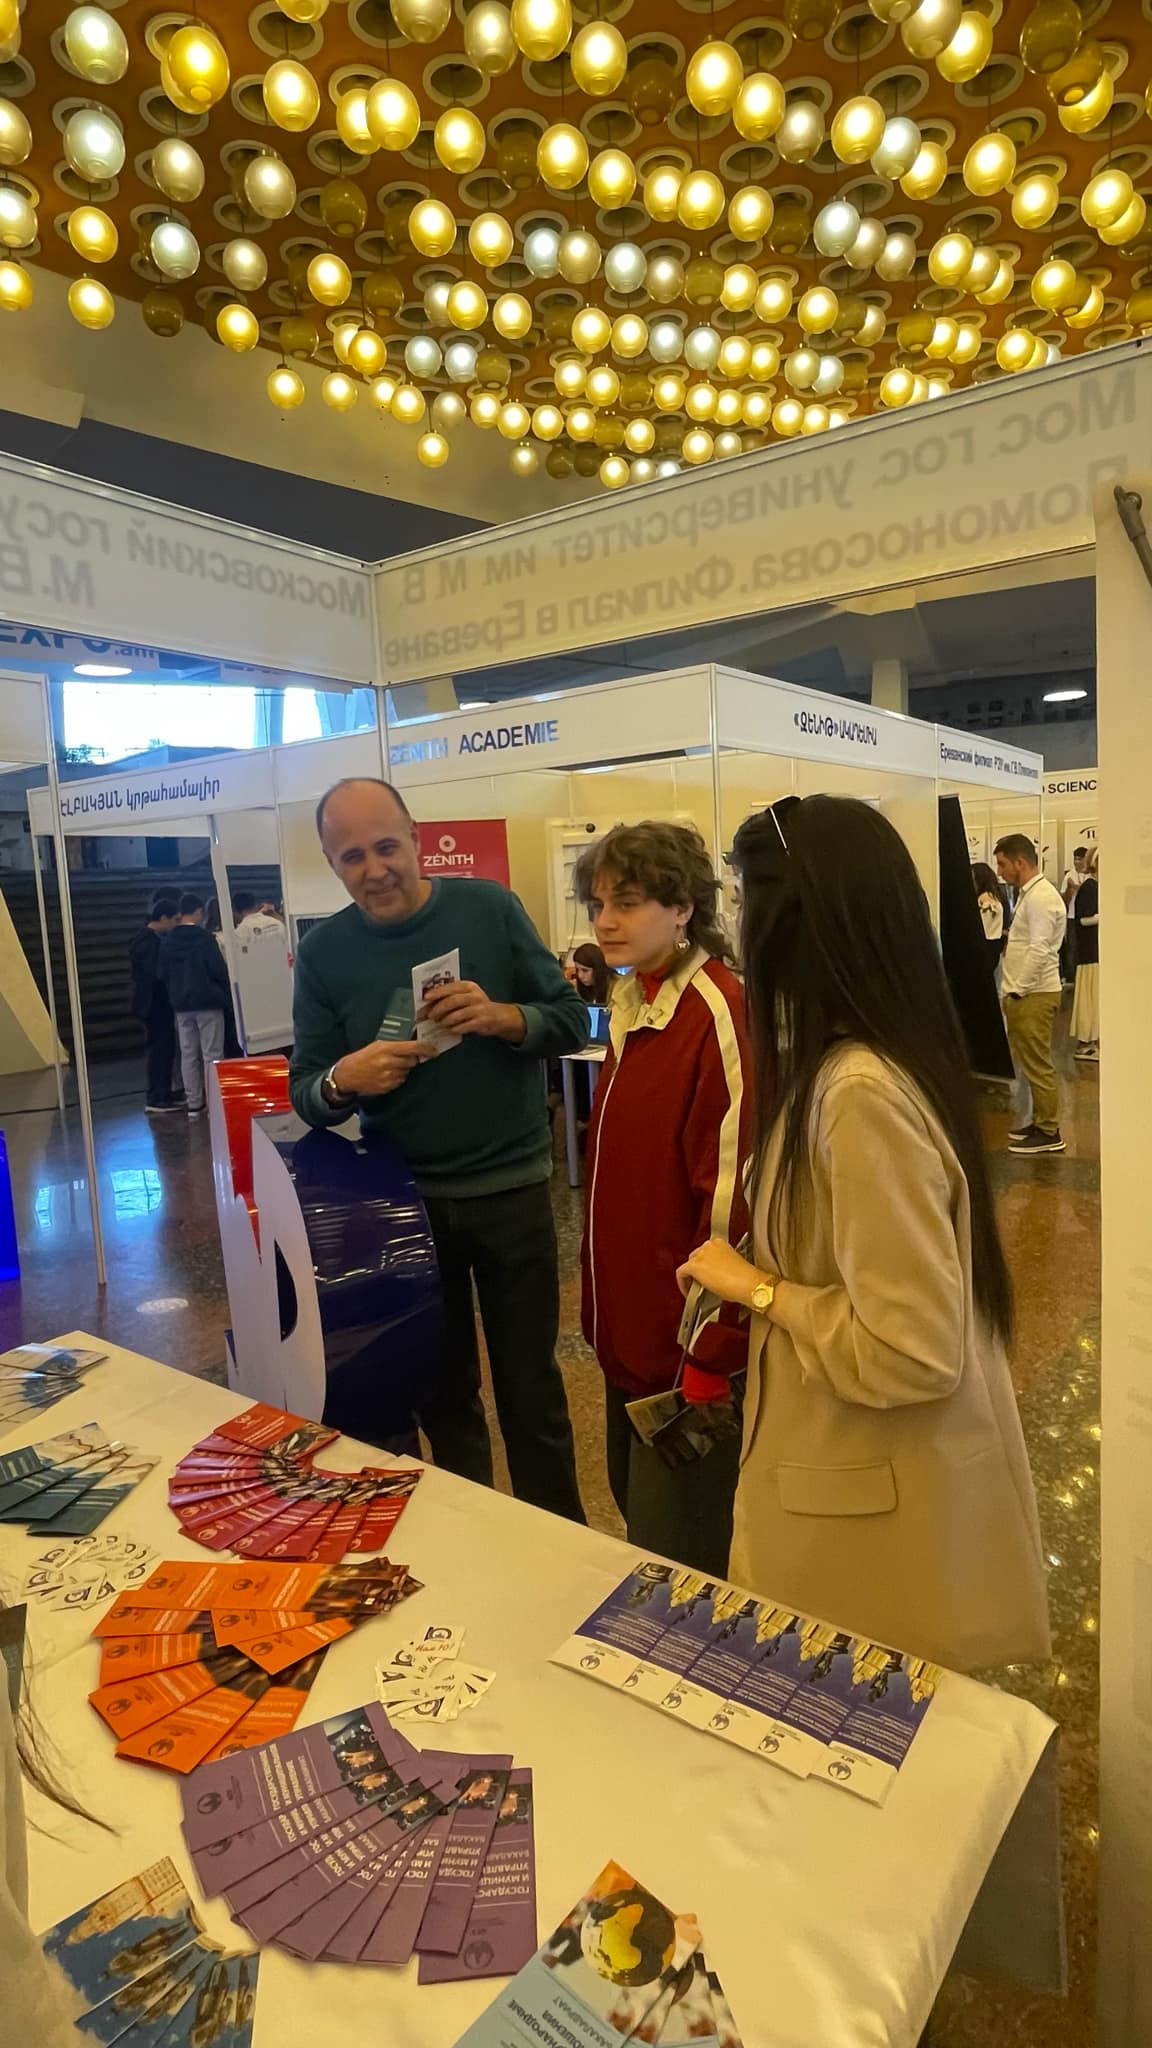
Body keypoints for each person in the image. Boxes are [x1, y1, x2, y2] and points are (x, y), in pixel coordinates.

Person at [676, 795, 1050, 1674]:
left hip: (863, 1505)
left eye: (745, 899)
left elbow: (909, 1349)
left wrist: (756, 1287)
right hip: (856, 1479)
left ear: (796, 920)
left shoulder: (857, 1093)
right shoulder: (871, 1061)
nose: (736, 926)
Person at [289, 776, 588, 1522]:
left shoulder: (490, 908)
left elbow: (570, 1019)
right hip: (405, 1207)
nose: (375, 869)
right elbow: (306, 1090)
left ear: (418, 840)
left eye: (386, 847)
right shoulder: (324, 953)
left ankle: (562, 1541)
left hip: (511, 1191)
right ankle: (472, 1536)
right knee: (443, 1395)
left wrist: (503, 1016)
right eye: (353, 857)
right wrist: (345, 1078)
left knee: (532, 1392)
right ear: (332, 865)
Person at [573, 821, 752, 1575]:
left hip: (683, 1351)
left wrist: (711, 1350)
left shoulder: (717, 1012)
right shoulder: (634, 1000)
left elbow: (731, 1199)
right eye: (597, 904)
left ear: (682, 908)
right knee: (637, 1512)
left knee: (682, 1550)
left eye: (628, 902)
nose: (605, 921)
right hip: (631, 1332)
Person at [994, 832, 1068, 1155]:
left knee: (1038, 1064)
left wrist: (1018, 990)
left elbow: (1040, 949)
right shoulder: (1033, 894)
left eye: (1002, 864)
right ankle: (1040, 1123)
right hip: (1030, 993)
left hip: (1034, 994)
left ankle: (1049, 1130)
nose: (999, 872)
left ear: (1020, 862)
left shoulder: (1039, 898)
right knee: (1032, 1062)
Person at [157, 893, 233, 1119]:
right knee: (212, 1054)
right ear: (199, 912)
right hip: (208, 1002)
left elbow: (162, 973)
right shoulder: (205, 938)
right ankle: (214, 1104)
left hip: (181, 1005)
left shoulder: (168, 941)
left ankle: (194, 1104)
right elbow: (218, 969)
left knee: (188, 1054)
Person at [127, 892, 182, 1115]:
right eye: (175, 919)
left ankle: (164, 1092)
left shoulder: (147, 940)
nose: (176, 924)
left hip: (157, 1003)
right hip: (154, 1004)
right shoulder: (148, 942)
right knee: (160, 1050)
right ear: (163, 918)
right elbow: (155, 974)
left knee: (165, 1049)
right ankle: (157, 1096)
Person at [1071, 849, 1100, 1062]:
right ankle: (1086, 1042)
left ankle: (1092, 1040)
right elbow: (1083, 919)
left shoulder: (1095, 887)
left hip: (1096, 952)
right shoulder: (1089, 888)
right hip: (1089, 953)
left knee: (1094, 997)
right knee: (1088, 998)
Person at [971, 861, 1008, 979]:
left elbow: (984, 926)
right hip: (995, 947)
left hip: (985, 948)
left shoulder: (985, 899)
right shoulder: (999, 897)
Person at [1061, 844, 1089, 983]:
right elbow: (1063, 900)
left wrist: (1079, 887)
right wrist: (1069, 890)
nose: (1077, 862)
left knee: (1086, 946)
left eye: (1080, 859)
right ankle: (1071, 978)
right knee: (1072, 947)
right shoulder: (1069, 876)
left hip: (1087, 916)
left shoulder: (1091, 874)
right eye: (1075, 859)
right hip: (1072, 916)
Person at [570, 942, 611, 1007]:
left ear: (598, 969)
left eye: (585, 970)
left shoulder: (616, 988)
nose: (580, 976)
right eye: (577, 969)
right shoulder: (576, 989)